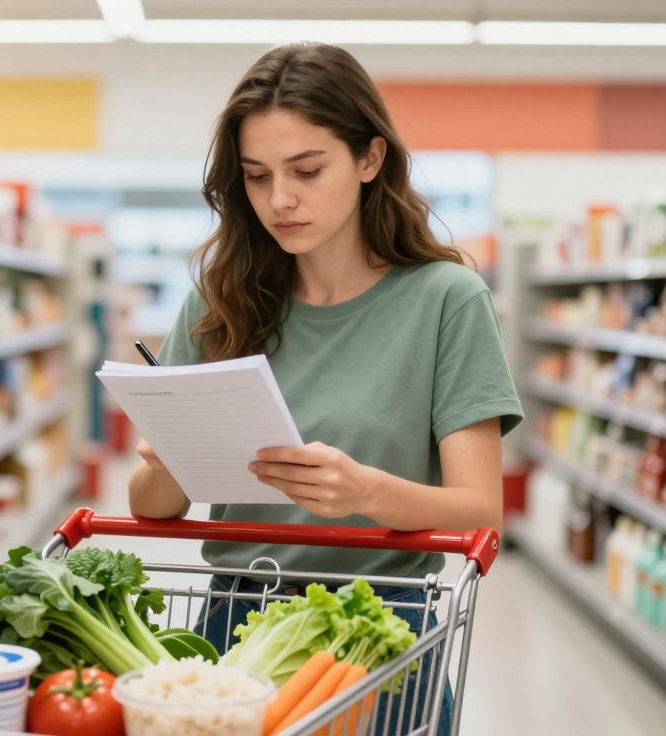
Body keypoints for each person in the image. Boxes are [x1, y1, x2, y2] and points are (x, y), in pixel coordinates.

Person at [127, 43, 523, 735]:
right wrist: (166, 457)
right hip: (233, 631)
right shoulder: (219, 300)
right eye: (256, 176)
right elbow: (156, 507)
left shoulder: (446, 301)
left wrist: (364, 492)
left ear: (370, 159)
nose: (280, 200)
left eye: (307, 170)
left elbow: (479, 512)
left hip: (377, 637)